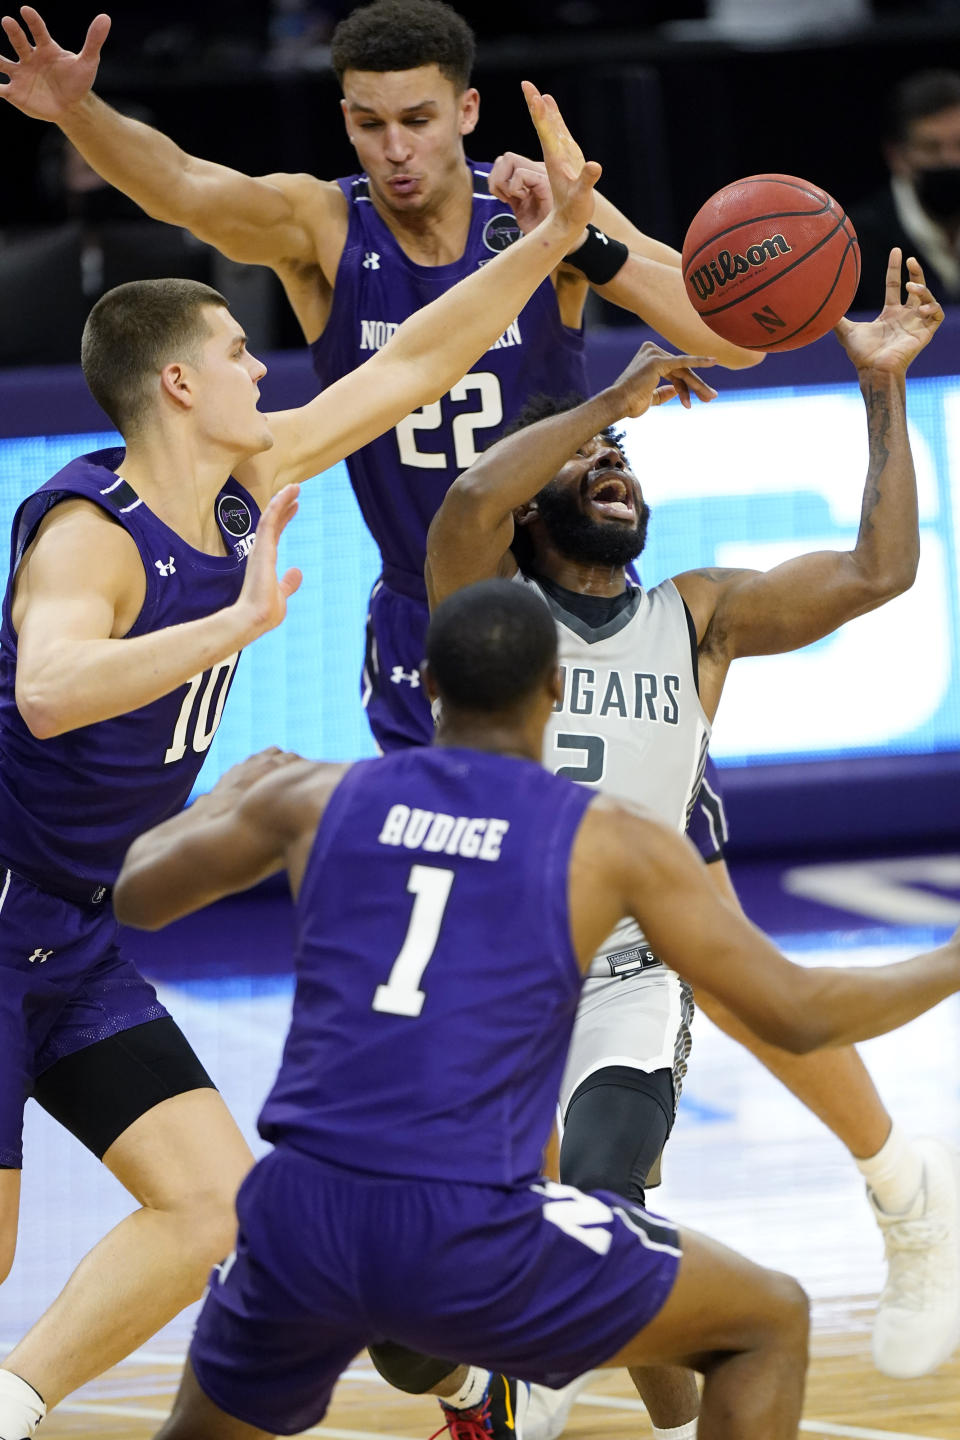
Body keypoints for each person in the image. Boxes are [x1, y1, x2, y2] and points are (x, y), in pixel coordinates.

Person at [0, 86, 600, 1440]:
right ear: (176, 384)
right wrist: (236, 622)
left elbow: (412, 367)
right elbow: (47, 693)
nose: (262, 365)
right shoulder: (90, 531)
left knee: (216, 1201)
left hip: (71, 936)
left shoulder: (238, 479)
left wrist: (545, 243)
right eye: (235, 349)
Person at [109, 578, 960, 1440]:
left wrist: (233, 792)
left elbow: (138, 896)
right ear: (557, 688)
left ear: (429, 685)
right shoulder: (605, 837)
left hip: (301, 1214)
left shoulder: (319, 797)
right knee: (768, 1320)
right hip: (466, 1225)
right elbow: (800, 1012)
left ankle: (488, 1393)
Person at [416, 250, 955, 1436]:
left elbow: (879, 571)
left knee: (603, 1199)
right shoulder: (490, 608)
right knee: (423, 1330)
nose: (615, 464)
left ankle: (590, 1378)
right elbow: (462, 507)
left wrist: (882, 390)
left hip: (626, 977)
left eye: (623, 458)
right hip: (488, 984)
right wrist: (605, 401)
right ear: (541, 497)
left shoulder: (696, 615)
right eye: (590, 460)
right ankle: (541, 1386)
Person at [0, 0, 762, 758]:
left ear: (466, 110)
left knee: (655, 857)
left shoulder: (541, 208)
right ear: (344, 120)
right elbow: (183, 185)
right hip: (420, 609)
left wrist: (580, 236)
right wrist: (79, 114)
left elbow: (730, 336)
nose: (395, 149)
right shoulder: (324, 225)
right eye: (370, 125)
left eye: (418, 121)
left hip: (574, 588)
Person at [850, 68, 960, 308]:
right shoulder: (855, 245)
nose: (951, 161)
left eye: (959, 145)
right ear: (896, 156)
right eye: (931, 148)